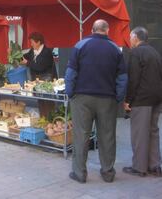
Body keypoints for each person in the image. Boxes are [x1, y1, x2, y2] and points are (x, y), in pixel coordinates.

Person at [65, 19, 127, 184]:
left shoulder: (80, 45)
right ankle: (107, 172)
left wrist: (71, 93)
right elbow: (122, 78)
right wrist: (118, 98)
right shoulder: (115, 49)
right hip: (107, 99)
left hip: (82, 98)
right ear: (107, 31)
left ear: (92, 30)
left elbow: (71, 72)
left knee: (81, 135)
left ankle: (79, 173)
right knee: (107, 136)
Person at [123, 27, 162, 177]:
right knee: (153, 131)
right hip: (157, 98)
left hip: (142, 99)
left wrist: (128, 100)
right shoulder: (155, 52)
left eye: (130, 37)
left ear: (135, 37)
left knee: (139, 133)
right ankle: (155, 165)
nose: (129, 40)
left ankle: (139, 167)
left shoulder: (136, 53)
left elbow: (133, 79)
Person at [22, 32, 56, 117]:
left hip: (46, 82)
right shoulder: (32, 51)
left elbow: (40, 67)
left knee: (47, 101)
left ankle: (50, 120)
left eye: (32, 42)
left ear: (38, 42)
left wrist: (27, 63)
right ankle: (43, 119)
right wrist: (13, 53)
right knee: (40, 100)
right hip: (36, 81)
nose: (31, 44)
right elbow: (24, 57)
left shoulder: (47, 52)